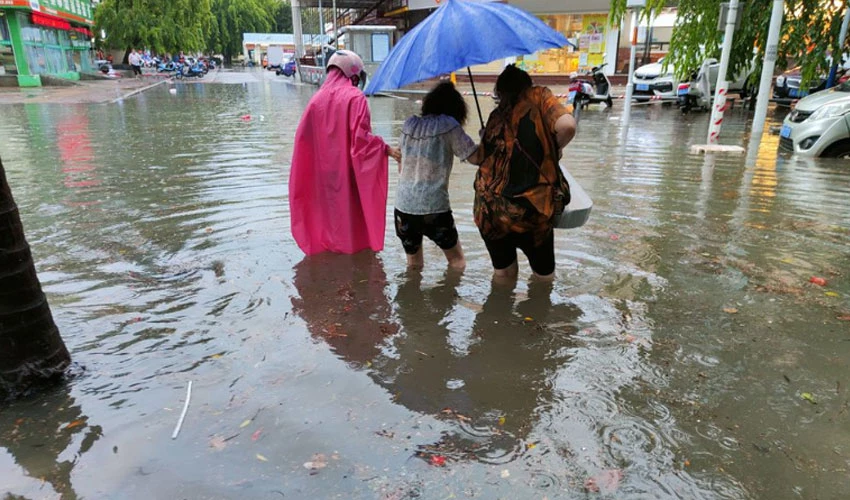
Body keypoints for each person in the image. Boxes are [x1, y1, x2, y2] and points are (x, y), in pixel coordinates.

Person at [289, 50, 401, 255]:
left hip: (323, 176)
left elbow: (303, 144)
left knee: (330, 221)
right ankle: (353, 263)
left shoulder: (315, 101)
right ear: (355, 76)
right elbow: (361, 142)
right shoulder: (355, 98)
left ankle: (332, 261)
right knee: (350, 222)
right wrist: (386, 149)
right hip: (347, 174)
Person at [473, 64, 577, 281]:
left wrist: (486, 137)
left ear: (499, 92)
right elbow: (567, 126)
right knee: (543, 277)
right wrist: (552, 150)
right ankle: (537, 312)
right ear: (527, 85)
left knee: (503, 275)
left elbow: (479, 159)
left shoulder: (495, 116)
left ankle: (498, 314)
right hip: (531, 211)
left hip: (490, 210)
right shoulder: (538, 96)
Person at [394, 82, 482, 270]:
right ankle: (448, 297)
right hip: (433, 208)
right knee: (457, 261)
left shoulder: (409, 124)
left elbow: (401, 164)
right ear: (456, 108)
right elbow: (475, 157)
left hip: (403, 206)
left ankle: (412, 298)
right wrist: (486, 139)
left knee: (414, 266)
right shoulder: (448, 125)